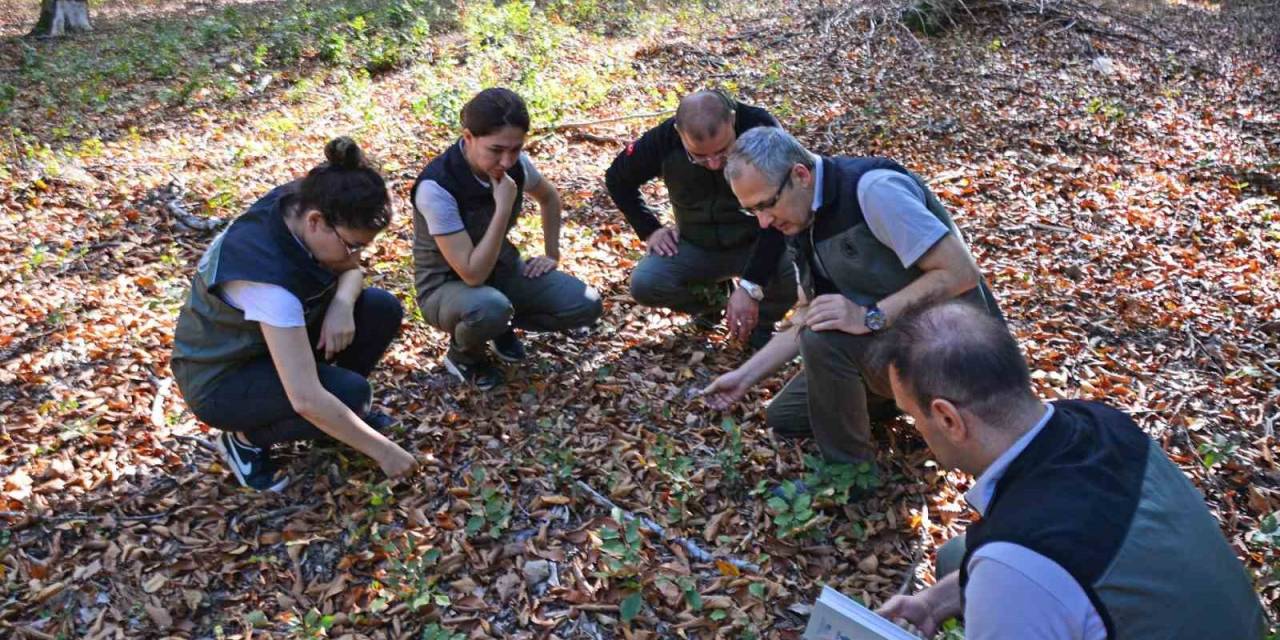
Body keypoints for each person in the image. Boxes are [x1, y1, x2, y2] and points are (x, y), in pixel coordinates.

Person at [873, 300, 1266, 639]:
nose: (915, 429)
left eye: (911, 416)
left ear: (947, 419)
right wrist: (932, 603)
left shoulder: (1012, 566)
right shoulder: (1102, 422)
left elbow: (1024, 569)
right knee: (959, 555)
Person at [703, 127, 1002, 466]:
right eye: (751, 211)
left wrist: (868, 316)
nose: (762, 221)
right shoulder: (797, 218)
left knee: (823, 341)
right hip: (892, 344)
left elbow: (960, 272)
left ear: (800, 175)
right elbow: (807, 316)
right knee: (786, 416)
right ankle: (903, 401)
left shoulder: (873, 191)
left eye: (766, 205)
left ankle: (850, 475)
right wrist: (743, 378)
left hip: (956, 348)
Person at [172, 138, 418, 492]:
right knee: (351, 396)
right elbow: (305, 397)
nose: (356, 257)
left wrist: (342, 305)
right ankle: (246, 439)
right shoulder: (266, 281)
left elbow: (352, 272)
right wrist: (385, 453)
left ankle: (333, 424)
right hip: (220, 377)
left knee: (379, 309)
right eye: (353, 246)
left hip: (268, 343)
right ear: (317, 222)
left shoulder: (306, 203)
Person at [411, 88, 603, 390]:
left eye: (515, 149)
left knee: (585, 304)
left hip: (501, 270)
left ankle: (501, 326)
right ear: (468, 137)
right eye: (496, 149)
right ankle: (465, 356)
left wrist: (552, 254)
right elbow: (471, 274)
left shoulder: (517, 164)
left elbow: (550, 198)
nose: (506, 160)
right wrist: (502, 207)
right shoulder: (437, 187)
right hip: (445, 286)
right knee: (489, 307)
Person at [605, 89, 795, 348]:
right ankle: (716, 301)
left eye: (723, 151)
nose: (715, 164)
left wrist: (751, 286)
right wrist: (649, 229)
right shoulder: (663, 140)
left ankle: (762, 321)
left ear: (732, 120)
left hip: (758, 240)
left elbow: (786, 205)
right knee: (646, 283)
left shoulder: (760, 128)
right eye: (700, 157)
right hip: (697, 244)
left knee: (797, 268)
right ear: (679, 133)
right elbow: (617, 178)